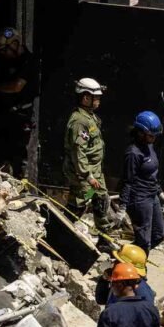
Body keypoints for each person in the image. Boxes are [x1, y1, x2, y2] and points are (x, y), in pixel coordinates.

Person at [115, 111, 164, 254]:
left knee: (159, 234)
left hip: (152, 195)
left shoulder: (149, 147)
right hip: (139, 199)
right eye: (151, 135)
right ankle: (137, 273)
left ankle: (125, 255)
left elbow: (152, 174)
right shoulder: (133, 153)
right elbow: (127, 181)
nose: (154, 138)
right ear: (140, 133)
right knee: (144, 242)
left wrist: (159, 191)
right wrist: (122, 206)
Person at [0, 26, 36, 174]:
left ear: (14, 45)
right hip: (4, 112)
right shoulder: (6, 60)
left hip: (21, 115)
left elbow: (17, 86)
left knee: (19, 154)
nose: (3, 54)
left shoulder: (29, 62)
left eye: (4, 50)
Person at [63, 78, 111, 231]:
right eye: (95, 97)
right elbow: (78, 151)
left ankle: (104, 237)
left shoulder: (90, 117)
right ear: (85, 98)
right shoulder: (80, 122)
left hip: (95, 172)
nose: (98, 101)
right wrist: (87, 176)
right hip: (84, 174)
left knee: (101, 198)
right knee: (79, 202)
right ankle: (61, 233)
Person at [92, 263, 160, 327]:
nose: (112, 287)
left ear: (120, 285)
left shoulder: (110, 313)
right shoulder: (151, 309)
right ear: (135, 285)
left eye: (113, 283)